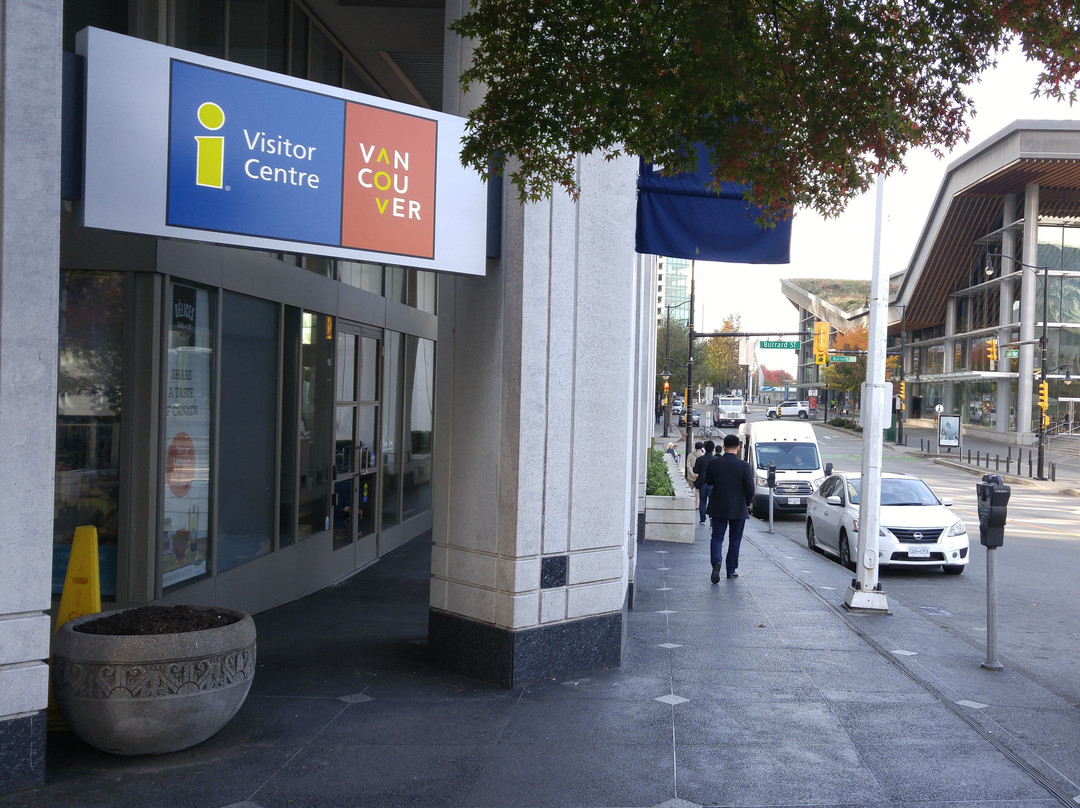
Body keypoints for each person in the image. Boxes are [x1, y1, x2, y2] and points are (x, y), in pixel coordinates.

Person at [704, 433, 754, 583]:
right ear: (738, 448)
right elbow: (750, 488)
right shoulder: (744, 466)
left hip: (718, 506)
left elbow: (709, 481)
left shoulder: (714, 463)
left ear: (724, 447)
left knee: (717, 537)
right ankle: (731, 569)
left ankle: (716, 562)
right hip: (738, 508)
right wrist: (746, 502)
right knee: (735, 539)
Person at [692, 440, 715, 524]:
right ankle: (712, 518)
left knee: (702, 501)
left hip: (702, 482)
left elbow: (695, 470)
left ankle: (702, 519)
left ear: (704, 448)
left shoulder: (700, 459)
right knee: (712, 501)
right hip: (712, 483)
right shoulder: (715, 459)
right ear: (713, 449)